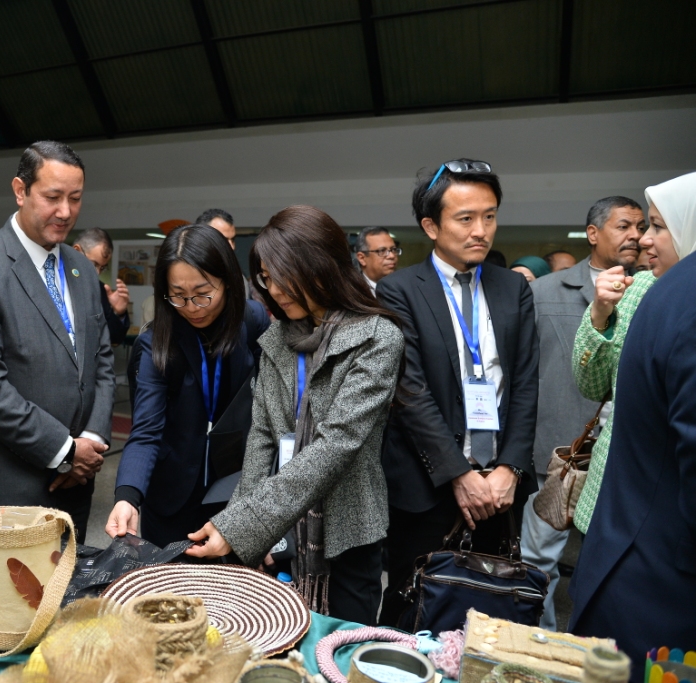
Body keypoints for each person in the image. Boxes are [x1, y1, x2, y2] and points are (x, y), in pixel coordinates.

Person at [186, 205, 404, 625]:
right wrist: (247, 527)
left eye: (283, 275)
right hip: (278, 522)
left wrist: (246, 524)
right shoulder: (275, 340)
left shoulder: (377, 338)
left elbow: (336, 446)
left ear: (321, 266)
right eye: (265, 278)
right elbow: (262, 438)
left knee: (338, 649)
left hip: (347, 530)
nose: (274, 289)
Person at [375, 160, 539, 626]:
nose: (480, 230)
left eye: (489, 216)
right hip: (429, 488)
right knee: (414, 611)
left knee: (488, 614)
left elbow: (526, 383)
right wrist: (458, 473)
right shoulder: (398, 290)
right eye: (465, 218)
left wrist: (510, 466)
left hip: (500, 489)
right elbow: (408, 391)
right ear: (431, 225)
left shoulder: (512, 288)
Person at [0, 141, 115, 541]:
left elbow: (101, 359)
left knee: (65, 598)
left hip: (72, 490)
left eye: (75, 198)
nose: (65, 212)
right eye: (52, 197)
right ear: (20, 190)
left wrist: (92, 442)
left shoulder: (81, 268)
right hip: (1, 493)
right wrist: (65, 452)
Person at [569, 172, 696, 674]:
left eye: (654, 227)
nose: (643, 239)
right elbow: (591, 382)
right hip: (620, 486)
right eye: (638, 227)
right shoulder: (639, 288)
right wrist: (599, 315)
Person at [520, 195, 645, 630]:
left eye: (642, 227)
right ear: (593, 234)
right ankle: (540, 647)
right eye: (624, 225)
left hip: (620, 457)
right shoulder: (543, 292)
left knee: (609, 567)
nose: (636, 235)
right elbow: (522, 375)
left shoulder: (649, 291)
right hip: (555, 452)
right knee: (539, 564)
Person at [106, 224, 270, 547]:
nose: (193, 307)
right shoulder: (156, 344)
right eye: (178, 296)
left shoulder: (251, 321)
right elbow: (145, 432)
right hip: (171, 496)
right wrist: (127, 496)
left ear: (228, 281)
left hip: (234, 490)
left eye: (203, 293)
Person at [73, 227, 131, 346]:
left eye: (102, 268)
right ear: (77, 251)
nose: (97, 273)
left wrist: (118, 312)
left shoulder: (100, 289)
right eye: (94, 264)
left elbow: (114, 339)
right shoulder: (52, 281)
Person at [353, 226, 401, 293]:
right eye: (382, 251)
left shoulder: (406, 286)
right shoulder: (350, 291)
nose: (392, 256)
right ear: (362, 258)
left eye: (393, 249)